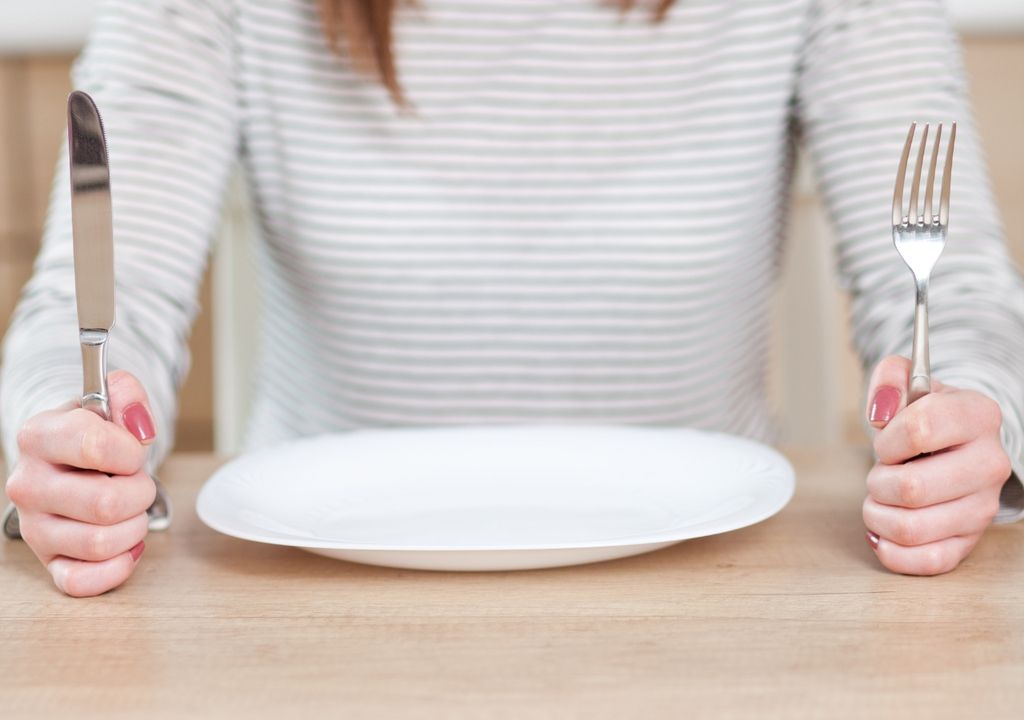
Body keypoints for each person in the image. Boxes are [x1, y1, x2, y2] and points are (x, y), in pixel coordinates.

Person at [1, 0, 1022, 597]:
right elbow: (97, 299)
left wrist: (965, 409)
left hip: (713, 587)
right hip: (311, 599)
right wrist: (64, 429)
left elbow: (954, 294)